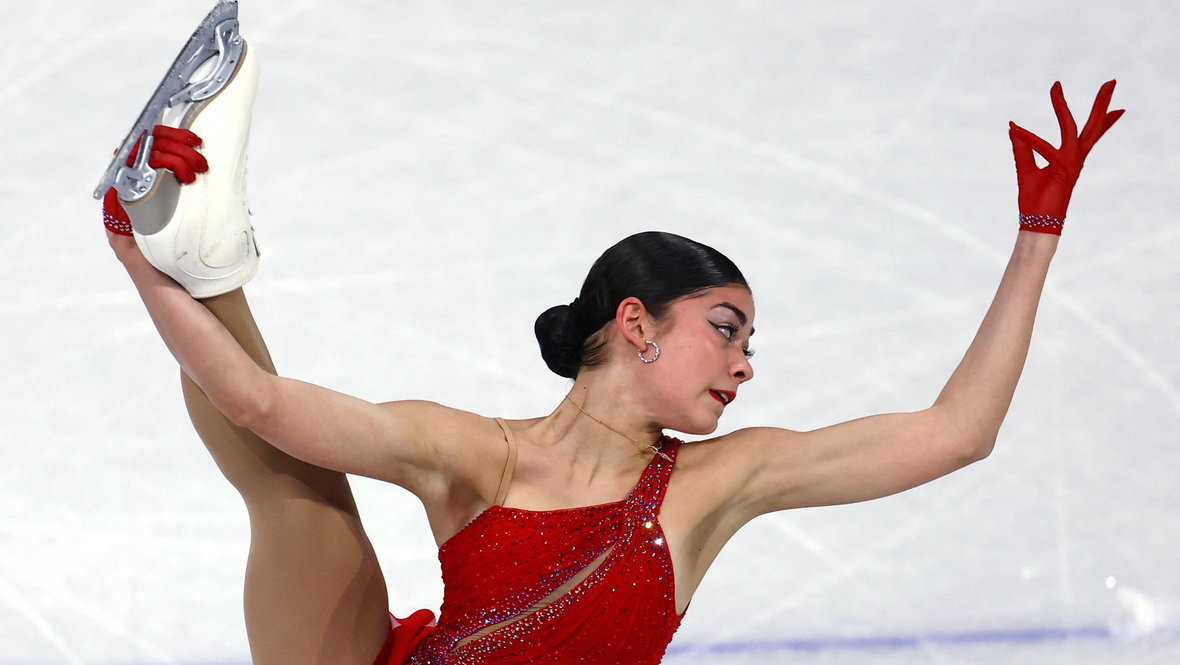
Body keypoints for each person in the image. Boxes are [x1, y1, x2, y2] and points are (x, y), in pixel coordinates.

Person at [100, 29, 1123, 665]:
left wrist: (1036, 239)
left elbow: (957, 431)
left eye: (748, 342)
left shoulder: (720, 483)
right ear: (636, 323)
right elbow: (259, 404)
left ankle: (190, 251)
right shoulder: (478, 454)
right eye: (725, 328)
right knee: (298, 484)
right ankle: (198, 252)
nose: (745, 364)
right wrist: (137, 262)